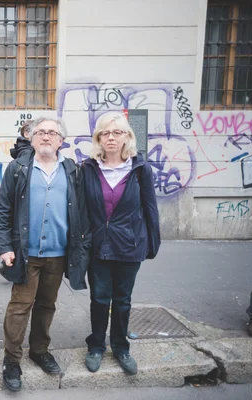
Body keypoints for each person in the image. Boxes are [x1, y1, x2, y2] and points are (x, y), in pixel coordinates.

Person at [0, 116, 91, 392]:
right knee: (20, 306)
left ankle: (39, 350)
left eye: (52, 133)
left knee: (47, 305)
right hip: (27, 253)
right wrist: (4, 247)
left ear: (61, 140)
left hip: (58, 254)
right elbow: (2, 211)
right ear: (32, 138)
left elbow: (81, 211)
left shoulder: (72, 170)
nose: (46, 137)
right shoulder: (18, 168)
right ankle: (11, 360)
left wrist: (82, 247)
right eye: (41, 132)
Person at [82, 112, 160, 376]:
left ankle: (120, 347)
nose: (111, 137)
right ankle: (95, 346)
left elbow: (150, 207)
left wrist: (151, 244)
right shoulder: (89, 168)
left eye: (117, 132)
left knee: (123, 300)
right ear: (99, 139)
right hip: (98, 246)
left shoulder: (139, 169)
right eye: (105, 133)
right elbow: (82, 209)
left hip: (129, 245)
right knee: (99, 298)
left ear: (127, 136)